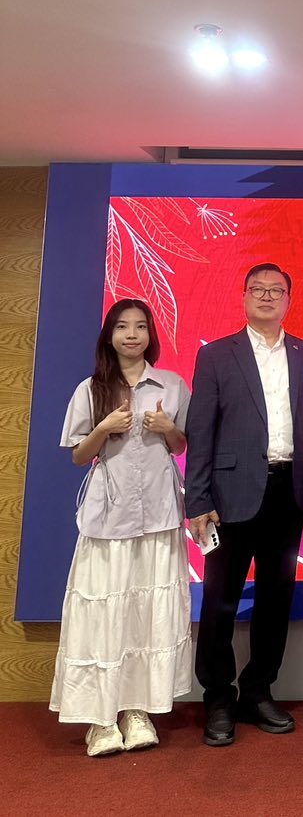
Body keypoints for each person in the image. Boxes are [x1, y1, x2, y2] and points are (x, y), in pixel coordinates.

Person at [185, 262, 303, 747]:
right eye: (258, 289)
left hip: (289, 491)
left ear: (289, 299)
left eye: (277, 290)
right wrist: (197, 499)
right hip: (228, 496)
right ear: (244, 297)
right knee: (220, 601)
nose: (267, 296)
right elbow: (201, 430)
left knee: (275, 598)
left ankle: (258, 690)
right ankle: (218, 697)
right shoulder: (216, 354)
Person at [51, 299, 192, 757]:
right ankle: (100, 718)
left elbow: (181, 445)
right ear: (109, 336)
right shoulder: (90, 389)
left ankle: (137, 710)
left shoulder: (172, 385)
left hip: (158, 514)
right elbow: (78, 456)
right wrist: (104, 428)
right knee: (104, 612)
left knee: (145, 613)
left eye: (141, 326)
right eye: (122, 327)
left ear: (151, 335)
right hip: (108, 518)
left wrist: (168, 427)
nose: (132, 335)